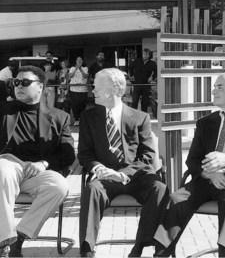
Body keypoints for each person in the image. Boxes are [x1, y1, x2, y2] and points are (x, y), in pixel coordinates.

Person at [153, 71, 225, 257]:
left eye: (219, 87)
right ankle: (161, 253)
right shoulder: (205, 123)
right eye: (214, 86)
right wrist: (209, 174)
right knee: (176, 199)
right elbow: (192, 160)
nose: (213, 90)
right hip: (206, 180)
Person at [0, 62, 75, 257]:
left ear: (41, 86)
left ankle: (19, 236)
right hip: (7, 166)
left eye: (25, 82)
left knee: (59, 185)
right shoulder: (2, 110)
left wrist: (44, 163)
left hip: (36, 173)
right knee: (3, 168)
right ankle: (3, 243)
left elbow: (68, 155)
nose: (18, 86)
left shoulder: (60, 117)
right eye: (16, 82)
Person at [78, 68, 169, 257]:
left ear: (112, 90)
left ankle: (141, 246)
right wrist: (99, 168)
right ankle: (86, 250)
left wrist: (123, 174)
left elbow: (148, 156)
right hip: (105, 177)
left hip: (135, 176)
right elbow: (85, 153)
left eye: (96, 87)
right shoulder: (88, 117)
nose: (92, 90)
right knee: (91, 189)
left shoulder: (140, 117)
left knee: (159, 189)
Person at [129, 48, 157, 113]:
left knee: (145, 102)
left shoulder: (152, 63)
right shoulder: (137, 61)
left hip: (146, 85)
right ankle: (133, 116)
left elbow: (156, 72)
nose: (145, 55)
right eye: (144, 54)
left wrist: (152, 77)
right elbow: (130, 67)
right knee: (135, 101)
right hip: (137, 84)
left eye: (147, 54)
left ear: (149, 55)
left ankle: (143, 116)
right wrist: (131, 75)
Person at [68, 56, 89, 126]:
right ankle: (76, 119)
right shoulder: (72, 68)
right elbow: (70, 76)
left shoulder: (85, 68)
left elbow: (85, 76)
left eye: (81, 60)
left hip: (83, 90)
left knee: (82, 105)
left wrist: (80, 69)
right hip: (74, 90)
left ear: (82, 61)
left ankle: (82, 119)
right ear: (76, 61)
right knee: (75, 105)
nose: (79, 61)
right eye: (78, 60)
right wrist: (76, 68)